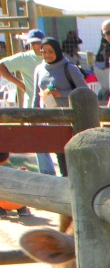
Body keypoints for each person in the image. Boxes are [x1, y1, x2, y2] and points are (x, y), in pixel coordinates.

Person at [0, 29, 55, 182]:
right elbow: (1, 65)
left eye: (38, 42)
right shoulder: (25, 58)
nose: (36, 46)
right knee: (39, 140)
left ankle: (62, 171)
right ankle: (48, 175)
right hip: (33, 105)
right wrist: (20, 84)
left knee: (56, 136)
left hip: (52, 104)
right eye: (33, 43)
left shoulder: (51, 56)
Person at [33, 37, 88, 176]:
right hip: (50, 120)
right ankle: (65, 180)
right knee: (59, 153)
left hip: (70, 121)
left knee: (72, 153)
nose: (47, 55)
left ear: (57, 51)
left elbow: (85, 92)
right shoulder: (39, 69)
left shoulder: (69, 68)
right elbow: (36, 95)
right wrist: (33, 115)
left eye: (50, 51)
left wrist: (61, 94)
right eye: (43, 51)